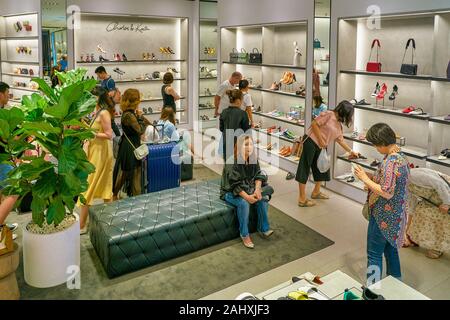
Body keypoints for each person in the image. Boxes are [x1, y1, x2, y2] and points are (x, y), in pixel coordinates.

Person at [353, 123, 410, 285]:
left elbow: (386, 191)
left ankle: (373, 289)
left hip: (383, 215)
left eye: (375, 144)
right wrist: (372, 178)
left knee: (374, 253)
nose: (375, 148)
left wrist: (365, 178)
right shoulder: (401, 156)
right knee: (391, 249)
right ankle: (395, 284)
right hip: (396, 214)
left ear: (382, 142)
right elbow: (392, 184)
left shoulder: (390, 162)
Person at [296, 100, 359, 207]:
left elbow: (340, 140)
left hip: (321, 146)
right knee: (305, 168)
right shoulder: (329, 114)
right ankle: (302, 199)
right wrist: (320, 140)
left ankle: (316, 192)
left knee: (322, 168)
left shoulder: (338, 124)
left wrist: (351, 151)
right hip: (311, 142)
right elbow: (314, 124)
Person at [221, 135, 274, 249]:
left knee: (262, 199)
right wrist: (248, 197)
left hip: (248, 188)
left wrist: (257, 190)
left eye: (250, 144)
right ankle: (244, 234)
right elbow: (234, 185)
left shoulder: (253, 159)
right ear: (239, 146)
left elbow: (259, 175)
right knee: (243, 203)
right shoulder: (232, 161)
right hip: (230, 191)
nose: (249, 147)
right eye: (245, 144)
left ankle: (263, 228)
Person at [78, 87, 115, 234]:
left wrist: (91, 132)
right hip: (95, 152)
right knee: (102, 185)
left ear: (99, 97)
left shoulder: (104, 113)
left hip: (101, 153)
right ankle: (108, 220)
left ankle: (82, 224)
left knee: (90, 186)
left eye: (92, 96)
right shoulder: (96, 111)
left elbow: (109, 134)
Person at [113, 89, 151, 199]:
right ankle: (118, 196)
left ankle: (119, 195)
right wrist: (140, 117)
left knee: (128, 173)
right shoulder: (129, 115)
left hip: (129, 145)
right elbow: (140, 130)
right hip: (129, 148)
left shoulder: (129, 113)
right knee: (130, 172)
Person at [0, 82, 19, 238]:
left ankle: (2, 227)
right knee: (13, 192)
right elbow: (5, 138)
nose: (8, 95)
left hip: (3, 157)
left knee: (3, 192)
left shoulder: (2, 111)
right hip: (2, 158)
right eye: (7, 93)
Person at [220, 89, 251, 163]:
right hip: (238, 145)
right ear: (238, 100)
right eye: (242, 100)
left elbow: (221, 128)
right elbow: (246, 132)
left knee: (228, 165)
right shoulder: (243, 114)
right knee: (239, 166)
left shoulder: (224, 112)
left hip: (226, 142)